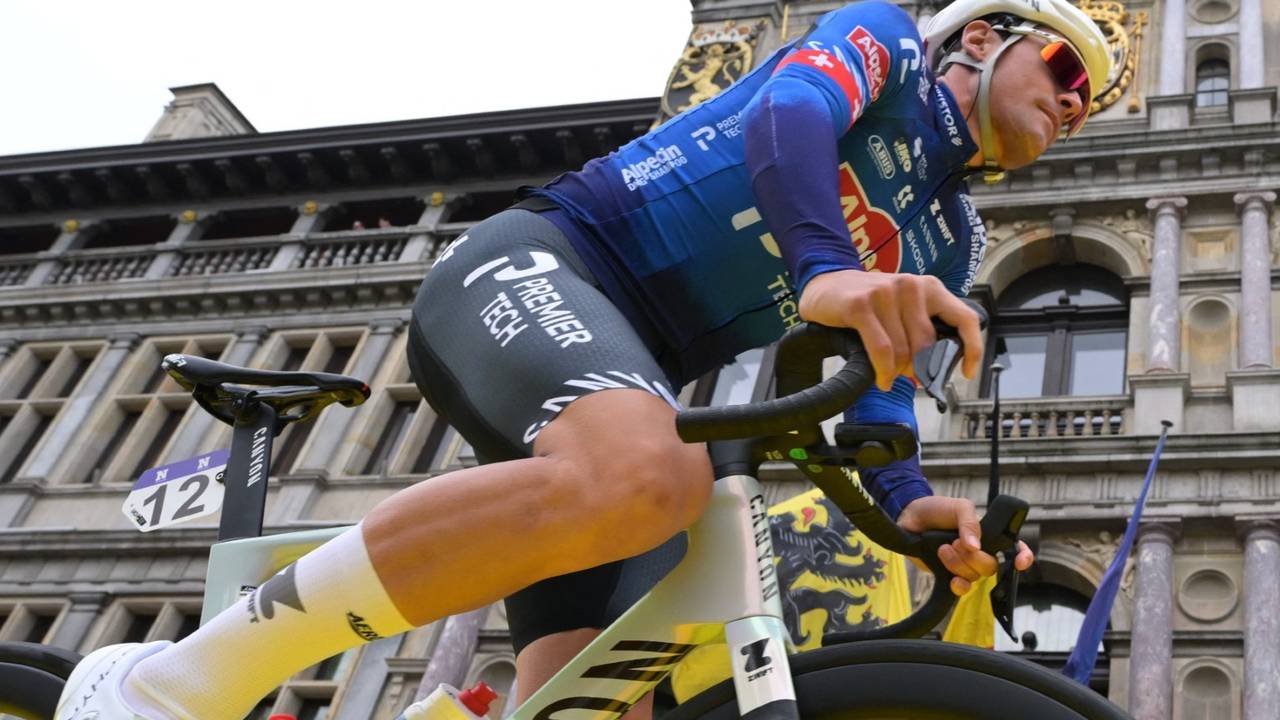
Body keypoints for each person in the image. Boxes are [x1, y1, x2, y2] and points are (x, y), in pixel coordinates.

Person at [57, 0, 1110, 717]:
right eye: (1066, 65)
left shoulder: (952, 240)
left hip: (638, 375)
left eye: (1091, 100)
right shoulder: (879, 36)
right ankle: (166, 688)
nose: (1074, 101)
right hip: (546, 264)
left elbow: (874, 373)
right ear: (981, 33)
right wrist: (828, 265)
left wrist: (905, 493)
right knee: (648, 474)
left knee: (608, 697)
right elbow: (790, 114)